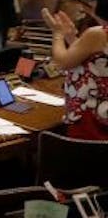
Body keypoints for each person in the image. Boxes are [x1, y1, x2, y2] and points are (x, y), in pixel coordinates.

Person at [43, 8, 108, 140]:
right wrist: (71, 36)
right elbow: (93, 59)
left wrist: (58, 34)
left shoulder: (98, 33)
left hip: (93, 120)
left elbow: (62, 62)